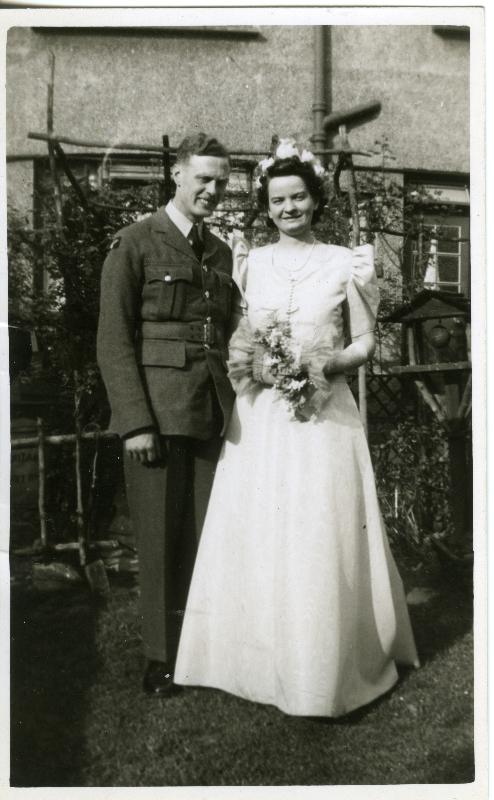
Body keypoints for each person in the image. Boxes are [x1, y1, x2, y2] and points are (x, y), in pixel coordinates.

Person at [174, 140, 419, 717]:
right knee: (261, 528)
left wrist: (323, 366)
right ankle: (252, 661)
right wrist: (259, 364)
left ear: (316, 200)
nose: (288, 208)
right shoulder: (249, 262)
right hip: (261, 418)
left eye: (298, 197)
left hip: (324, 417)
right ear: (266, 206)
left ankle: (321, 668)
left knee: (316, 529)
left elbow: (365, 343)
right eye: (277, 200)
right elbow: (240, 335)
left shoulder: (346, 262)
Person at [97, 132, 235, 696]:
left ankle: (200, 651)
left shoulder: (220, 252)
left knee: (204, 537)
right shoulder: (135, 242)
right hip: (155, 414)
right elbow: (113, 339)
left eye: (221, 182)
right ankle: (160, 658)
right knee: (157, 541)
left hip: (209, 411)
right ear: (176, 175)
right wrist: (135, 422)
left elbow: (224, 333)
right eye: (203, 178)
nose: (212, 190)